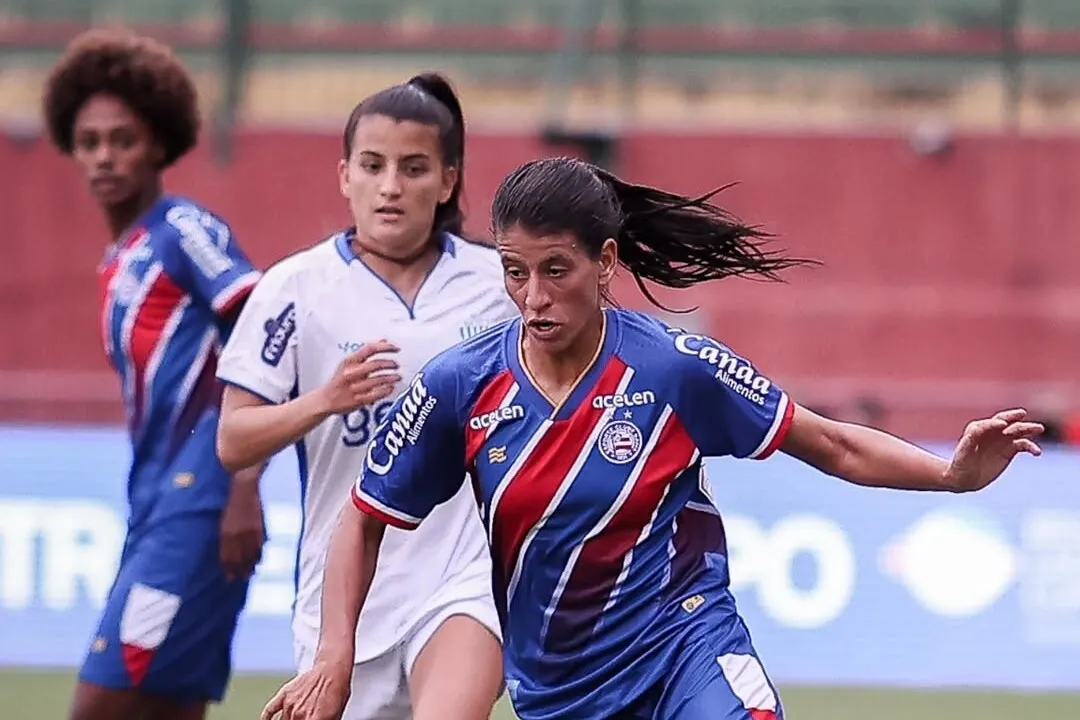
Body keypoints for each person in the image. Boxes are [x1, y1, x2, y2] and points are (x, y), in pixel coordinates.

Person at [262, 156, 1044, 720]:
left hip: (684, 651)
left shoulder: (674, 368)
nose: (532, 296)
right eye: (514, 271)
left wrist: (952, 477)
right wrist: (334, 655)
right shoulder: (458, 385)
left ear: (605, 263)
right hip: (559, 691)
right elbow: (362, 517)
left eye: (555, 270)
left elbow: (830, 444)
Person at [215, 73, 512, 720]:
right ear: (344, 175)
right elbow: (233, 441)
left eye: (414, 168)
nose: (391, 186)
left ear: (448, 181)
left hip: (462, 574)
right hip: (344, 594)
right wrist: (323, 400)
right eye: (373, 166)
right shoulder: (293, 289)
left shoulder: (497, 285)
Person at [42, 29, 266, 720]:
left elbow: (262, 328)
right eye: (90, 141)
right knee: (169, 707)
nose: (105, 156)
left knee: (101, 703)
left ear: (159, 142)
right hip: (156, 501)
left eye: (124, 139)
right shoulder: (122, 257)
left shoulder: (182, 229)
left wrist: (243, 487)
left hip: (199, 504)